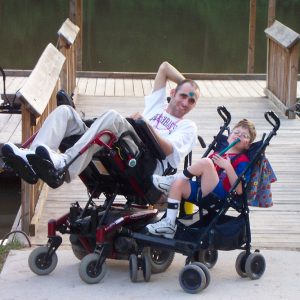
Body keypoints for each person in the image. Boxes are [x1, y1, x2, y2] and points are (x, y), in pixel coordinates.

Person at [1, 62, 200, 188]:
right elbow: (164, 67)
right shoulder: (159, 105)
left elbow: (168, 152)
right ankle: (32, 156)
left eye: (192, 101)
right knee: (65, 112)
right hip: (119, 144)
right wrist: (190, 85)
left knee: (113, 117)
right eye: (183, 96)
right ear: (172, 93)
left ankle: (64, 164)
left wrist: (145, 124)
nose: (185, 103)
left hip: (143, 161)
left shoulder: (187, 126)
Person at [146, 119, 256, 238]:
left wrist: (228, 166)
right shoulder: (218, 154)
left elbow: (239, 190)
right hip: (202, 189)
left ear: (248, 145)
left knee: (206, 163)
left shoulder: (243, 161)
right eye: (236, 132)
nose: (238, 135)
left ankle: (171, 179)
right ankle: (169, 223)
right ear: (229, 136)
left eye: (244, 135)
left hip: (219, 195)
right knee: (178, 183)